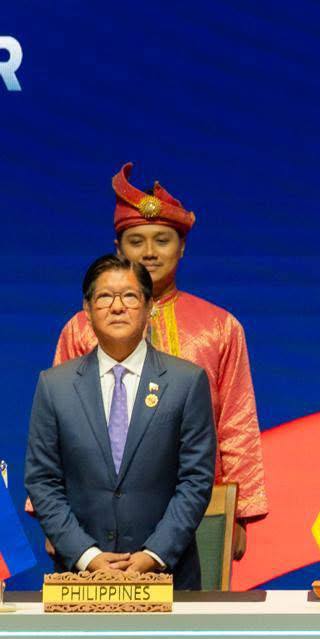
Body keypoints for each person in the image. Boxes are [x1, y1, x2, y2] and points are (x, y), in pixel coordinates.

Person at [51, 163, 267, 559]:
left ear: (182, 247)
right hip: (93, 513)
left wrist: (239, 513)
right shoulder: (81, 328)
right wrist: (55, 523)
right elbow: (59, 431)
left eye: (162, 240)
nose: (149, 252)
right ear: (119, 249)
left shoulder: (219, 327)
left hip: (201, 510)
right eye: (136, 241)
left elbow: (236, 423)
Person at [26, 256, 215, 590]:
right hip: (79, 578)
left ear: (149, 307)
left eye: (129, 296)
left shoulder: (186, 382)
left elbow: (196, 480)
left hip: (167, 576)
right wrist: (87, 556)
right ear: (87, 310)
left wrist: (153, 555)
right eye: (104, 297)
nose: (117, 307)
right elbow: (42, 480)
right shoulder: (54, 386)